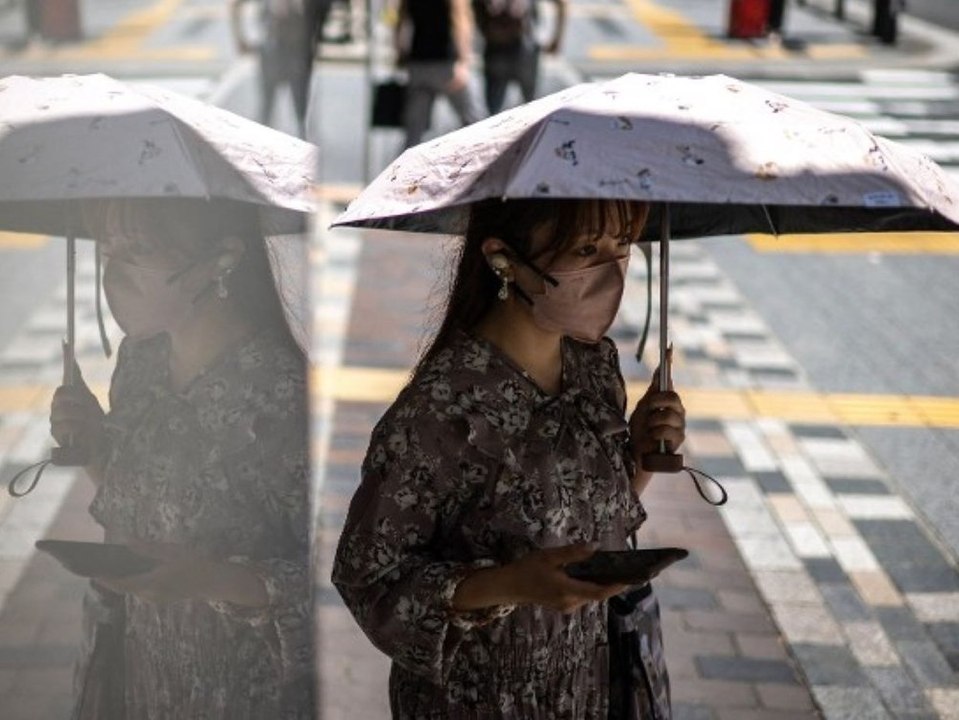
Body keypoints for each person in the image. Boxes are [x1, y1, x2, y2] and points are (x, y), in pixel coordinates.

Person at [332, 198, 686, 718]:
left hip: (584, 684)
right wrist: (513, 584)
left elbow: (578, 520)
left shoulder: (592, 365)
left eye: (620, 246)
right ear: (502, 259)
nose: (609, 270)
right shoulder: (443, 408)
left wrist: (636, 459)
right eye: (586, 249)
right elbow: (369, 579)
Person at [49, 198, 315, 719]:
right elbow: (139, 508)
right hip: (144, 670)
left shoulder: (282, 397)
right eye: (108, 252)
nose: (113, 275)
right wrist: (94, 448)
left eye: (138, 251)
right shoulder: (141, 360)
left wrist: (205, 577)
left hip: (240, 691)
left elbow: (329, 585)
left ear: (221, 261)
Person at [231, 0, 326, 138]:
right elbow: (235, 5)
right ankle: (264, 146)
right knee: (267, 109)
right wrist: (240, 38)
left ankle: (301, 142)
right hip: (273, 50)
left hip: (298, 52)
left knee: (300, 109)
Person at [395, 0, 484, 148]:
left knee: (414, 132)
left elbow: (401, 21)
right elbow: (460, 18)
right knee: (477, 123)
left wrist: (400, 53)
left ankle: (404, 170)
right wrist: (463, 60)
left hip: (418, 64)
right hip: (447, 64)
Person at [473, 0, 567, 115]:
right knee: (531, 109)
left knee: (494, 111)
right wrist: (557, 38)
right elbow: (562, 4)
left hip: (496, 48)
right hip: (524, 49)